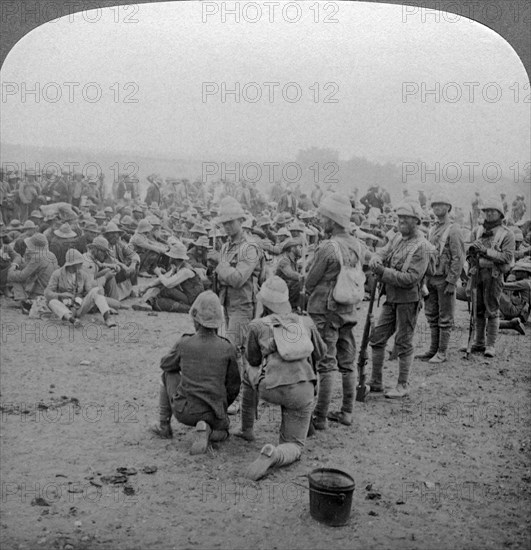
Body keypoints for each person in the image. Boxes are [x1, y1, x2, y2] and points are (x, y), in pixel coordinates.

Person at [243, 277, 326, 480]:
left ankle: (246, 428)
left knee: (246, 369)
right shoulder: (306, 322)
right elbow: (321, 353)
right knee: (295, 444)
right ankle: (276, 453)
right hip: (301, 389)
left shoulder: (256, 325)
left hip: (269, 387)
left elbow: (253, 359)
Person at [305, 193, 370, 428]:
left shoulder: (328, 247)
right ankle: (347, 412)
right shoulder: (358, 245)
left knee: (325, 364)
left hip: (325, 312)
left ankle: (320, 417)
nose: (320, 221)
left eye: (323, 217)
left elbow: (310, 281)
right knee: (347, 362)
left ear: (332, 220)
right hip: (348, 310)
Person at [151, 291, 241, 454]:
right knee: (225, 432)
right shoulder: (228, 347)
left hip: (186, 412)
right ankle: (209, 431)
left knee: (166, 374)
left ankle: (164, 425)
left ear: (195, 318)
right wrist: (222, 406)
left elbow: (165, 364)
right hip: (215, 413)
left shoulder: (185, 342)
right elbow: (234, 386)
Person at [368, 200, 431, 398]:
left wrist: (383, 271)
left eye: (406, 218)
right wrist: (376, 258)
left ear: (416, 221)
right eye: (399, 217)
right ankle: (376, 382)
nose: (401, 221)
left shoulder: (422, 246)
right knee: (377, 338)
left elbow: (411, 278)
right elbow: (382, 251)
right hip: (391, 297)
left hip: (408, 300)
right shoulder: (396, 237)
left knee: (403, 341)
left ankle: (403, 385)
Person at [214, 197, 263, 419]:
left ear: (241, 221)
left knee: (236, 351)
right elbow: (226, 277)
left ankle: (238, 398)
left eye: (231, 222)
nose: (227, 227)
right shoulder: (226, 246)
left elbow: (238, 278)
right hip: (227, 303)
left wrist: (220, 265)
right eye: (224, 223)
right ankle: (244, 396)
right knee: (235, 351)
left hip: (243, 306)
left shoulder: (250, 247)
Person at [416, 194, 465, 363]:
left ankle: (442, 352)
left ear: (448, 208)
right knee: (431, 315)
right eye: (435, 205)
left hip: (444, 279)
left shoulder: (454, 229)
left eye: (441, 205)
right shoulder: (432, 229)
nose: (437, 208)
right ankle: (433, 349)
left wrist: (452, 281)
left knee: (445, 317)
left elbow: (458, 258)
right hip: (431, 277)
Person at [465, 198, 515, 357]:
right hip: (477, 274)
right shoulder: (477, 231)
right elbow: (468, 251)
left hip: (494, 275)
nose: (489, 213)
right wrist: (472, 254)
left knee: (492, 310)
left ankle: (490, 345)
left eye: (493, 211)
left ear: (500, 213)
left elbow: (507, 257)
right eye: (486, 211)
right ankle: (478, 343)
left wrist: (486, 251)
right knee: (478, 309)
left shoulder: (507, 234)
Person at [44, 248, 117, 328]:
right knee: (52, 302)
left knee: (96, 291)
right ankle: (72, 320)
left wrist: (98, 290)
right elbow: (47, 293)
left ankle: (107, 318)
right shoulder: (57, 274)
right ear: (73, 264)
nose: (82, 264)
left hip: (79, 306)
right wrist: (61, 295)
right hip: (65, 306)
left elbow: (89, 290)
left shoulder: (83, 274)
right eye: (80, 263)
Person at [134, 242, 204, 313]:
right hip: (187, 295)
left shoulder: (186, 270)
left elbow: (168, 284)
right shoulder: (177, 267)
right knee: (162, 295)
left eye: (170, 257)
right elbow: (164, 278)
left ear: (174, 258)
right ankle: (148, 302)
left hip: (192, 299)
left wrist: (158, 273)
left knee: (165, 289)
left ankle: (148, 302)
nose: (169, 258)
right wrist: (147, 287)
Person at [6, 233, 57, 312]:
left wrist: (12, 268)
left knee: (14, 277)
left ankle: (21, 300)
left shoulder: (37, 257)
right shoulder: (51, 255)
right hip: (51, 291)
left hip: (40, 292)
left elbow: (22, 276)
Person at [499, 259, 531, 335]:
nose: (515, 273)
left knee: (496, 293)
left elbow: (503, 285)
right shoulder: (527, 282)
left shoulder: (524, 283)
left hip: (516, 311)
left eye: (518, 271)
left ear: (524, 273)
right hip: (521, 313)